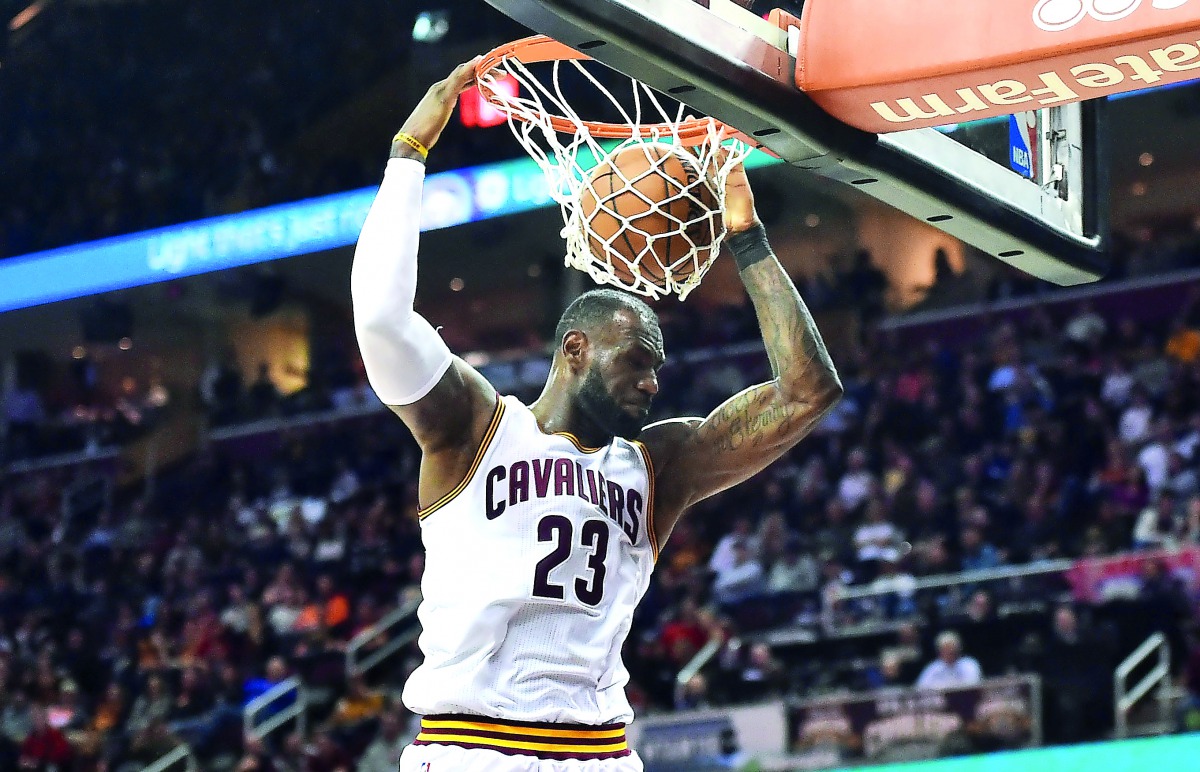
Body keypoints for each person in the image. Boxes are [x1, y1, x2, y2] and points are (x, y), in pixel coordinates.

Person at [352, 61, 841, 772]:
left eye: (656, 369)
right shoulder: (476, 428)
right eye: (636, 361)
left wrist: (748, 237)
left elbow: (806, 390)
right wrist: (408, 156)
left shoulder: (656, 465)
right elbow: (381, 319)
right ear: (574, 350)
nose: (650, 383)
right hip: (477, 750)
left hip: (602, 753)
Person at [915, 631, 982, 690]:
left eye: (951, 650)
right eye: (944, 650)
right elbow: (920, 688)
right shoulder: (933, 668)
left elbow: (973, 686)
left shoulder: (969, 664)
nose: (948, 653)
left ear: (958, 649)